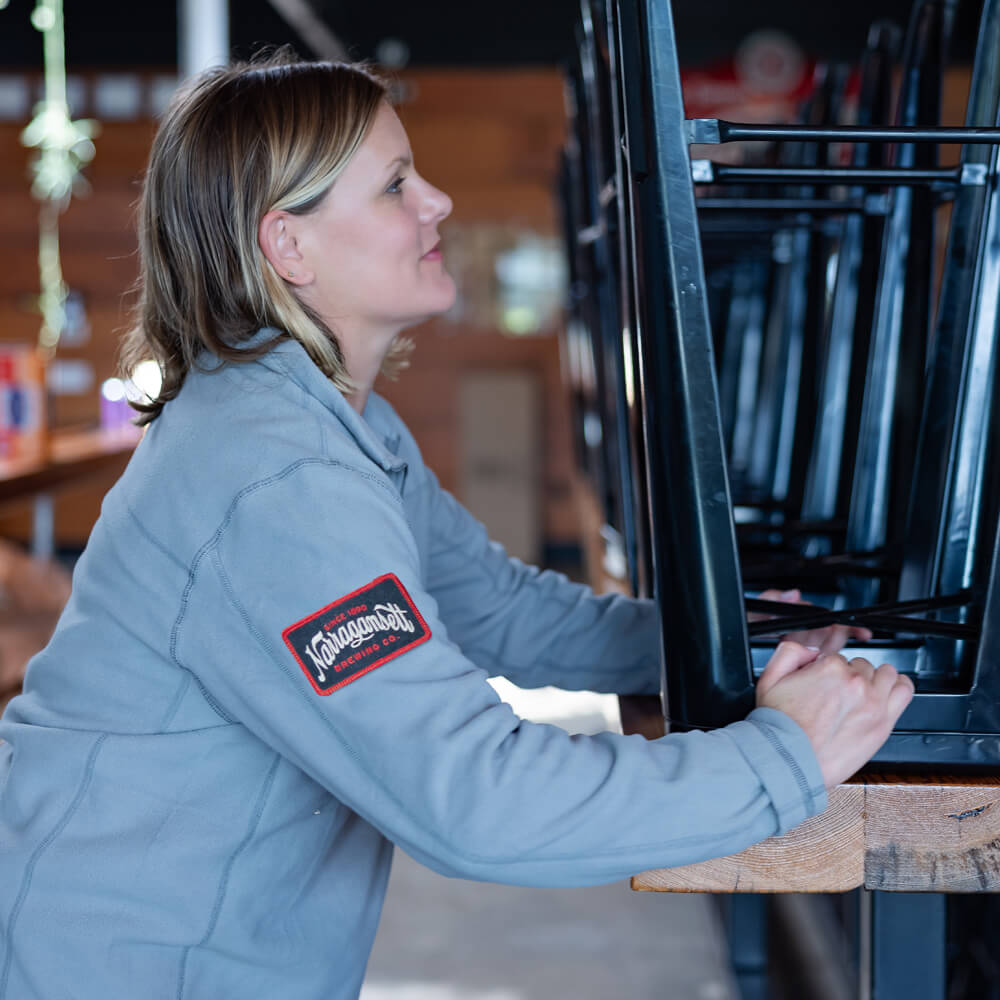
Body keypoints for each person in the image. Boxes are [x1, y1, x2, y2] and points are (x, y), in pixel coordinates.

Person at [0, 54, 913, 999]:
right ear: (289, 249)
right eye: (396, 184)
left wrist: (731, 641)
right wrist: (782, 759)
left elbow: (500, 611)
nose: (435, 201)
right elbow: (477, 803)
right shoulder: (277, 479)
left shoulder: (336, 423)